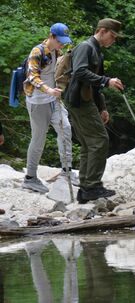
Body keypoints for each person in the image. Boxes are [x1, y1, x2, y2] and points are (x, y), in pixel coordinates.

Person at [64, 18, 125, 203]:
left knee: (88, 143)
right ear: (102, 31)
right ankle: (92, 186)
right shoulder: (85, 47)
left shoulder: (97, 51)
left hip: (85, 100)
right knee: (99, 140)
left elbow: (94, 82)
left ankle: (85, 189)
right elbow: (80, 72)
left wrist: (102, 108)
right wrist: (108, 81)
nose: (113, 41)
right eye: (112, 36)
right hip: (79, 101)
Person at [22, 23, 76, 194]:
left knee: (66, 129)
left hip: (54, 100)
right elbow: (32, 76)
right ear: (52, 36)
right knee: (38, 139)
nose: (62, 44)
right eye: (60, 41)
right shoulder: (37, 52)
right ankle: (30, 178)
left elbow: (57, 72)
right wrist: (49, 90)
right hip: (38, 102)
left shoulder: (56, 52)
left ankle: (67, 171)